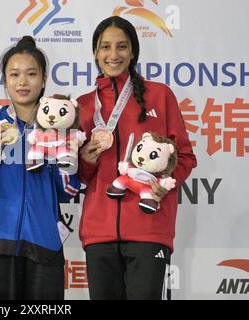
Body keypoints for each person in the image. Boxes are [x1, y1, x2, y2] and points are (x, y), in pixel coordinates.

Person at [77, 16, 197, 300]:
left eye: (122, 46)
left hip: (149, 228)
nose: (113, 54)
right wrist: (87, 160)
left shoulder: (160, 96)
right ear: (95, 52)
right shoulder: (82, 106)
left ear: (133, 52)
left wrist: (165, 181)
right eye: (105, 47)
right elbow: (81, 177)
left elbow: (185, 157)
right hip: (99, 233)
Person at [0, 36, 80, 300]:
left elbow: (68, 192)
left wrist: (63, 158)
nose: (22, 82)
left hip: (45, 242)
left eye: (31, 74)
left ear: (43, 79)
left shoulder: (60, 129)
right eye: (14, 74)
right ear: (5, 80)